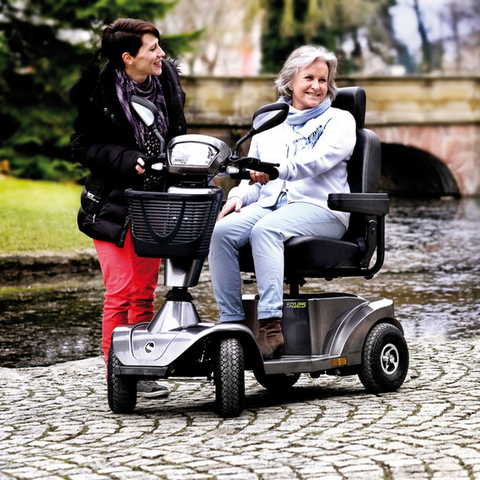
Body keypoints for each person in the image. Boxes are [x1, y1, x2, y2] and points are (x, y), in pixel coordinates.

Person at [208, 45, 356, 360]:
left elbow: (317, 161)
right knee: (221, 232)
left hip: (321, 209)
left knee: (266, 231)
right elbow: (254, 178)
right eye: (309, 78)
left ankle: (270, 324)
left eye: (322, 80)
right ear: (290, 81)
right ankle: (232, 327)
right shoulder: (270, 122)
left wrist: (276, 171)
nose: (317, 86)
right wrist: (238, 196)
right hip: (272, 204)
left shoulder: (339, 121)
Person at [69, 18, 187, 397]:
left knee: (144, 294)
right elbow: (82, 146)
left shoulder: (166, 80)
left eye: (159, 47)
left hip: (155, 206)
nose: (161, 54)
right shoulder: (98, 94)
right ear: (127, 58)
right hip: (110, 209)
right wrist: (126, 159)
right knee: (119, 292)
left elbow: (178, 134)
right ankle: (117, 374)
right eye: (152, 49)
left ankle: (143, 367)